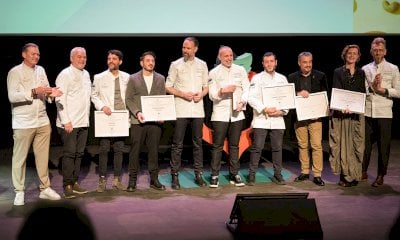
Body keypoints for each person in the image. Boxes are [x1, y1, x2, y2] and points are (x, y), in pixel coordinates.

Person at [7, 43, 62, 206]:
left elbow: (44, 90)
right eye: (32, 54)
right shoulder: (15, 72)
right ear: (24, 54)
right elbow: (12, 96)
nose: (36, 57)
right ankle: (19, 191)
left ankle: (45, 188)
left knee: (43, 157)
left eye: (38, 54)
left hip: (42, 120)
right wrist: (33, 91)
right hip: (23, 122)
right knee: (20, 159)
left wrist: (52, 92)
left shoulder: (41, 70)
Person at [165, 37, 209, 189]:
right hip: (181, 109)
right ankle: (175, 176)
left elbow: (206, 86)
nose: (185, 50)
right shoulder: (175, 65)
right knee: (177, 144)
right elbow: (168, 86)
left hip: (197, 110)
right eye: (184, 47)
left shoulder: (202, 65)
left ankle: (198, 174)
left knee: (198, 144)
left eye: (188, 48)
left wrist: (201, 94)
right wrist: (182, 94)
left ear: (195, 49)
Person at [208, 46, 249, 188]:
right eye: (226, 56)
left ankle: (234, 174)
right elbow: (211, 95)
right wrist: (222, 91)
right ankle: (214, 175)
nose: (229, 58)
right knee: (217, 146)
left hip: (237, 114)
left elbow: (246, 88)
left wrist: (242, 101)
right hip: (220, 114)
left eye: (231, 55)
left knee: (234, 145)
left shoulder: (240, 70)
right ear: (220, 57)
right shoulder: (213, 72)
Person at [125, 51, 166, 191]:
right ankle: (132, 181)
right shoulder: (133, 78)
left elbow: (162, 100)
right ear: (141, 63)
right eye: (148, 60)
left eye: (153, 61)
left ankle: (154, 179)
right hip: (139, 121)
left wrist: (162, 115)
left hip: (154, 122)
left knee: (154, 151)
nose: (150, 63)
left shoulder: (160, 78)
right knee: (135, 151)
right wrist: (137, 112)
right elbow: (129, 99)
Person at [362, 37, 400, 187]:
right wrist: (371, 87)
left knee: (384, 146)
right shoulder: (365, 69)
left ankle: (380, 175)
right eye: (375, 50)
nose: (377, 53)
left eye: (380, 50)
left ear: (385, 52)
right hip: (368, 112)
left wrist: (382, 90)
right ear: (371, 52)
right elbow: (362, 90)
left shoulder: (393, 68)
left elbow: (398, 91)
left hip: (384, 113)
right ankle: (363, 171)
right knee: (365, 145)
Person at [91, 49, 130, 192]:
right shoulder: (99, 77)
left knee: (119, 149)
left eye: (114, 59)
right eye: (109, 59)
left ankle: (117, 180)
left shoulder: (127, 77)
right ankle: (102, 180)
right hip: (106, 117)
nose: (111, 61)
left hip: (121, 118)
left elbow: (130, 97)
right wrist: (102, 106)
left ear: (120, 61)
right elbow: (94, 95)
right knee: (104, 149)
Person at [247, 52, 289, 185]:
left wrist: (282, 111)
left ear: (276, 62)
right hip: (261, 118)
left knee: (277, 148)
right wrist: (264, 108)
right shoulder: (257, 79)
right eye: (266, 62)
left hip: (277, 119)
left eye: (271, 61)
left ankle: (277, 174)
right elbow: (251, 98)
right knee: (257, 147)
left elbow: (287, 98)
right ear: (263, 64)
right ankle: (252, 175)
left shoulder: (282, 79)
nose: (269, 64)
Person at [288, 52, 328, 186]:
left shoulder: (321, 76)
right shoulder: (292, 77)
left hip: (316, 118)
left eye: (310, 62)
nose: (308, 65)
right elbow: (288, 96)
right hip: (300, 118)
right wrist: (297, 93)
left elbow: (325, 96)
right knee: (302, 145)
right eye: (305, 62)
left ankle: (317, 174)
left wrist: (321, 112)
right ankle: (305, 172)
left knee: (316, 146)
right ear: (299, 63)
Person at [55, 47, 91, 198]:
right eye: (78, 57)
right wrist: (66, 121)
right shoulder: (65, 74)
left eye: (84, 57)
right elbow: (59, 99)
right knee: (69, 154)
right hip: (69, 123)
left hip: (83, 122)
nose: (82, 59)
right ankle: (67, 185)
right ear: (71, 59)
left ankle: (75, 182)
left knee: (79, 154)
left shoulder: (86, 74)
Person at [329, 44, 366, 187]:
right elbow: (337, 90)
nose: (352, 55)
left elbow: (361, 91)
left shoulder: (361, 73)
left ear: (358, 56)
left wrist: (355, 106)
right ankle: (345, 177)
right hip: (342, 114)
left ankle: (355, 175)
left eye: (355, 53)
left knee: (356, 145)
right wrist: (342, 107)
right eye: (349, 53)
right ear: (345, 55)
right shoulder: (338, 72)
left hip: (356, 114)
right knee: (343, 145)